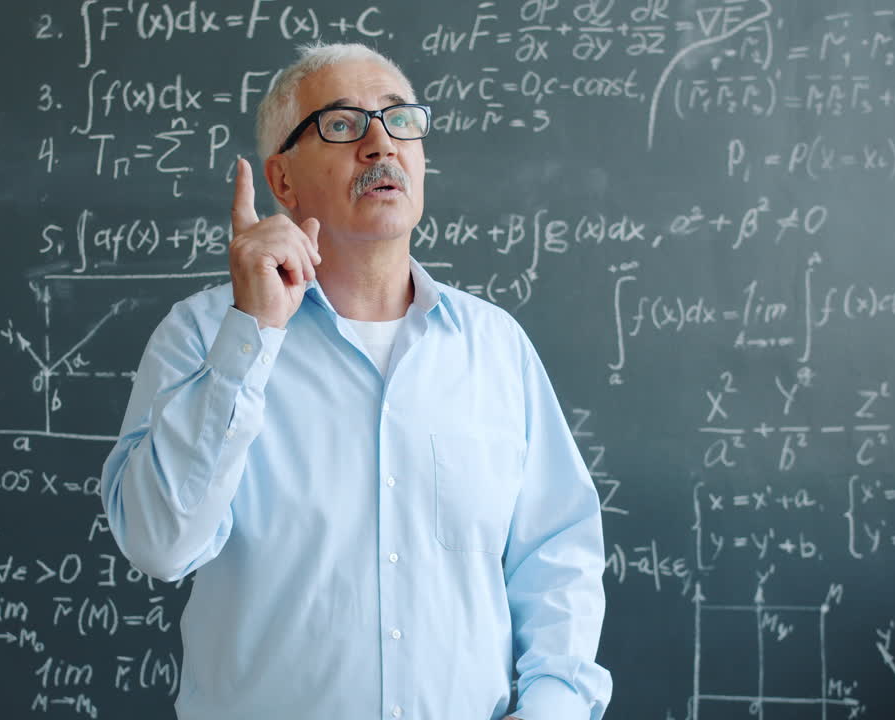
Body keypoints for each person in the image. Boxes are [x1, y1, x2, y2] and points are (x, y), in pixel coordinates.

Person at [100, 42, 611, 720]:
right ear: (282, 180)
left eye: (400, 120)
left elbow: (557, 556)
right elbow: (160, 545)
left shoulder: (494, 350)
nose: (380, 144)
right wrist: (251, 332)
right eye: (342, 125)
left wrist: (552, 709)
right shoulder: (202, 338)